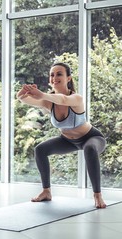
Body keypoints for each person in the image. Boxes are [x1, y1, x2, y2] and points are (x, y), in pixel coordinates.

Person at [16, 62, 107, 208]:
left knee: (89, 149)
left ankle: (98, 196)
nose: (54, 77)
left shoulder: (76, 98)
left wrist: (42, 95)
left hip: (91, 138)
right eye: (52, 75)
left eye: (59, 74)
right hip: (67, 141)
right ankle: (46, 191)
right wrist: (22, 93)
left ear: (68, 78)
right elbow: (24, 99)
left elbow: (63, 100)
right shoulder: (47, 102)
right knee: (40, 150)